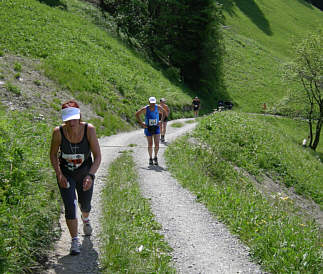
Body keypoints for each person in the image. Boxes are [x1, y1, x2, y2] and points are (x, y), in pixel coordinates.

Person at [50, 100, 101, 255]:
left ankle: (86, 219)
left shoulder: (89, 130)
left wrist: (91, 176)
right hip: (67, 174)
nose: (71, 122)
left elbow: (97, 156)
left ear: (79, 116)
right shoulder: (58, 132)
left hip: (85, 172)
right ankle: (74, 241)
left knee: (85, 205)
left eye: (74, 118)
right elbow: (52, 154)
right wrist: (59, 174)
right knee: (70, 206)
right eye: (68, 119)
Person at [135, 96, 166, 165]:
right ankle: (150, 158)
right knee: (150, 144)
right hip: (148, 128)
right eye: (151, 103)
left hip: (156, 127)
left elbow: (164, 112)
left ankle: (155, 157)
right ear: (149, 102)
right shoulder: (145, 109)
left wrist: (161, 121)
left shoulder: (157, 107)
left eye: (154, 103)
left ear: (155, 102)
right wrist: (142, 123)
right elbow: (137, 114)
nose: (152, 104)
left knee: (157, 144)